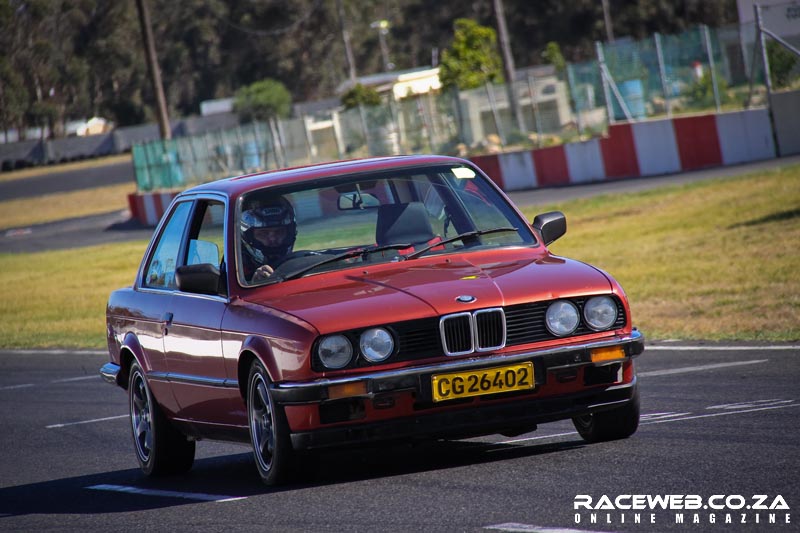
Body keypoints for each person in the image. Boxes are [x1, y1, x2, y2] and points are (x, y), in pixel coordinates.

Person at [240, 196, 297, 282]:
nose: (273, 238)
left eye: (279, 232)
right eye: (263, 233)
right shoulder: (235, 271)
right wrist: (253, 285)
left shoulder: (301, 263)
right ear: (248, 237)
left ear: (289, 233)